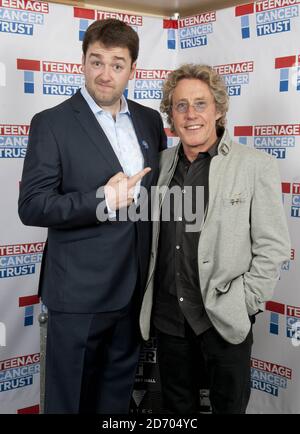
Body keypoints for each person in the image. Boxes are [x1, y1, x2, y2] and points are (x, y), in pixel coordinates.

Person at [18, 18, 166, 414]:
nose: (105, 73)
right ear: (82, 63)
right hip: (78, 295)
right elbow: (32, 205)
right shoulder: (52, 123)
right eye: (96, 61)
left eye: (117, 64)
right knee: (69, 402)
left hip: (134, 291)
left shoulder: (150, 120)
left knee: (115, 399)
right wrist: (102, 198)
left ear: (132, 69)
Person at [139, 64, 291, 414]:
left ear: (219, 110)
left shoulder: (255, 165)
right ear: (171, 116)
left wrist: (245, 301)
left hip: (224, 317)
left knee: (229, 407)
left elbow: (273, 247)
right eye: (180, 106)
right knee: (177, 409)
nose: (191, 115)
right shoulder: (158, 165)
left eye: (201, 104)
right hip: (169, 318)